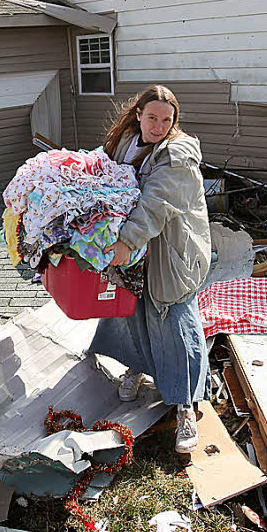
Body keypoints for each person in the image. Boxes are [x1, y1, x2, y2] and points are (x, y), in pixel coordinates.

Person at [90, 85, 212, 453]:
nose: (158, 126)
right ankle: (139, 367)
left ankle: (185, 404)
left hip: (169, 251)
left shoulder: (178, 156)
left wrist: (126, 241)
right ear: (139, 113)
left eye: (167, 120)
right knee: (132, 312)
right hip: (133, 252)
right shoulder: (126, 144)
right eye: (152, 117)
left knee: (173, 323)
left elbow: (156, 202)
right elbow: (102, 174)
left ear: (175, 122)